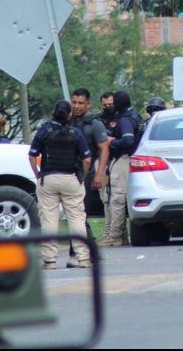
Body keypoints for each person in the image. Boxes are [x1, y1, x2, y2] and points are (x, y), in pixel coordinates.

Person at [28, 100, 92, 269]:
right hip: (71, 179)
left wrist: (38, 175)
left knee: (49, 219)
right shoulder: (76, 133)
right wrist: (82, 177)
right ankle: (83, 258)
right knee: (77, 218)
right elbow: (87, 159)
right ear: (69, 114)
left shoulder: (44, 131)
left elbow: (32, 156)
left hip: (48, 179)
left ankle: (49, 260)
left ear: (53, 112)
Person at [67, 88, 111, 267]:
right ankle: (89, 250)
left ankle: (77, 253)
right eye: (74, 102)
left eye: (80, 103)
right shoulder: (68, 121)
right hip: (68, 173)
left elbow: (104, 149)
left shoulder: (95, 124)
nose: (77, 106)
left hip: (86, 172)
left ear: (88, 104)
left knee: (78, 213)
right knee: (76, 214)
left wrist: (99, 174)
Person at [98, 91, 143, 247]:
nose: (110, 107)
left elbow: (128, 140)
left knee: (116, 198)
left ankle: (115, 236)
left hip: (123, 158)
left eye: (113, 103)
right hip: (128, 159)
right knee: (113, 197)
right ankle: (120, 235)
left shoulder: (125, 119)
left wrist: (112, 141)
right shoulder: (135, 114)